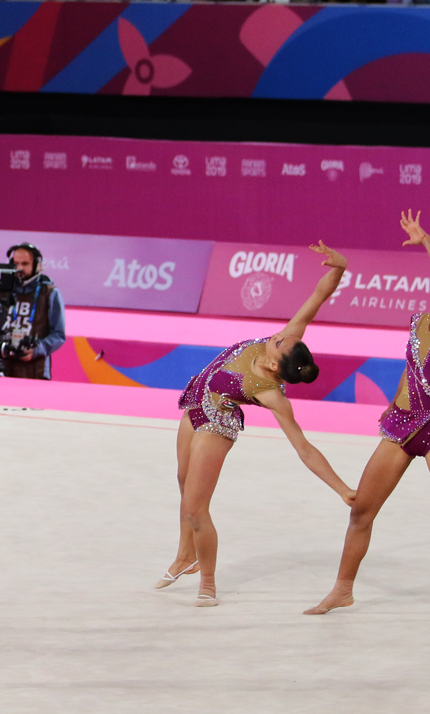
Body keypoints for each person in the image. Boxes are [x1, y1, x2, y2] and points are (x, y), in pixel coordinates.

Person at [305, 212, 430, 624]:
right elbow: (409, 372)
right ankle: (342, 590)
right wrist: (396, 403)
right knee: (361, 512)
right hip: (398, 427)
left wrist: (427, 239)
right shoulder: (419, 322)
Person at [155, 242, 355, 606]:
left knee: (196, 507)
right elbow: (316, 299)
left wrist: (342, 489)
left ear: (277, 366)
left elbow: (304, 448)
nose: (278, 335)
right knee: (184, 487)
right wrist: (339, 269)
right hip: (194, 406)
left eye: (279, 342)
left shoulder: (269, 393)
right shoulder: (281, 343)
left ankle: (209, 582)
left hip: (216, 425)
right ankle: (186, 555)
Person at [1, 244, 65, 379]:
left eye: (25, 264)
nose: (19, 268)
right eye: (15, 263)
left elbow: (58, 334)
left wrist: (37, 350)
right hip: (3, 366)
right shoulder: (1, 290)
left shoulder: (50, 293)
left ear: (37, 265)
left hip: (35, 369)